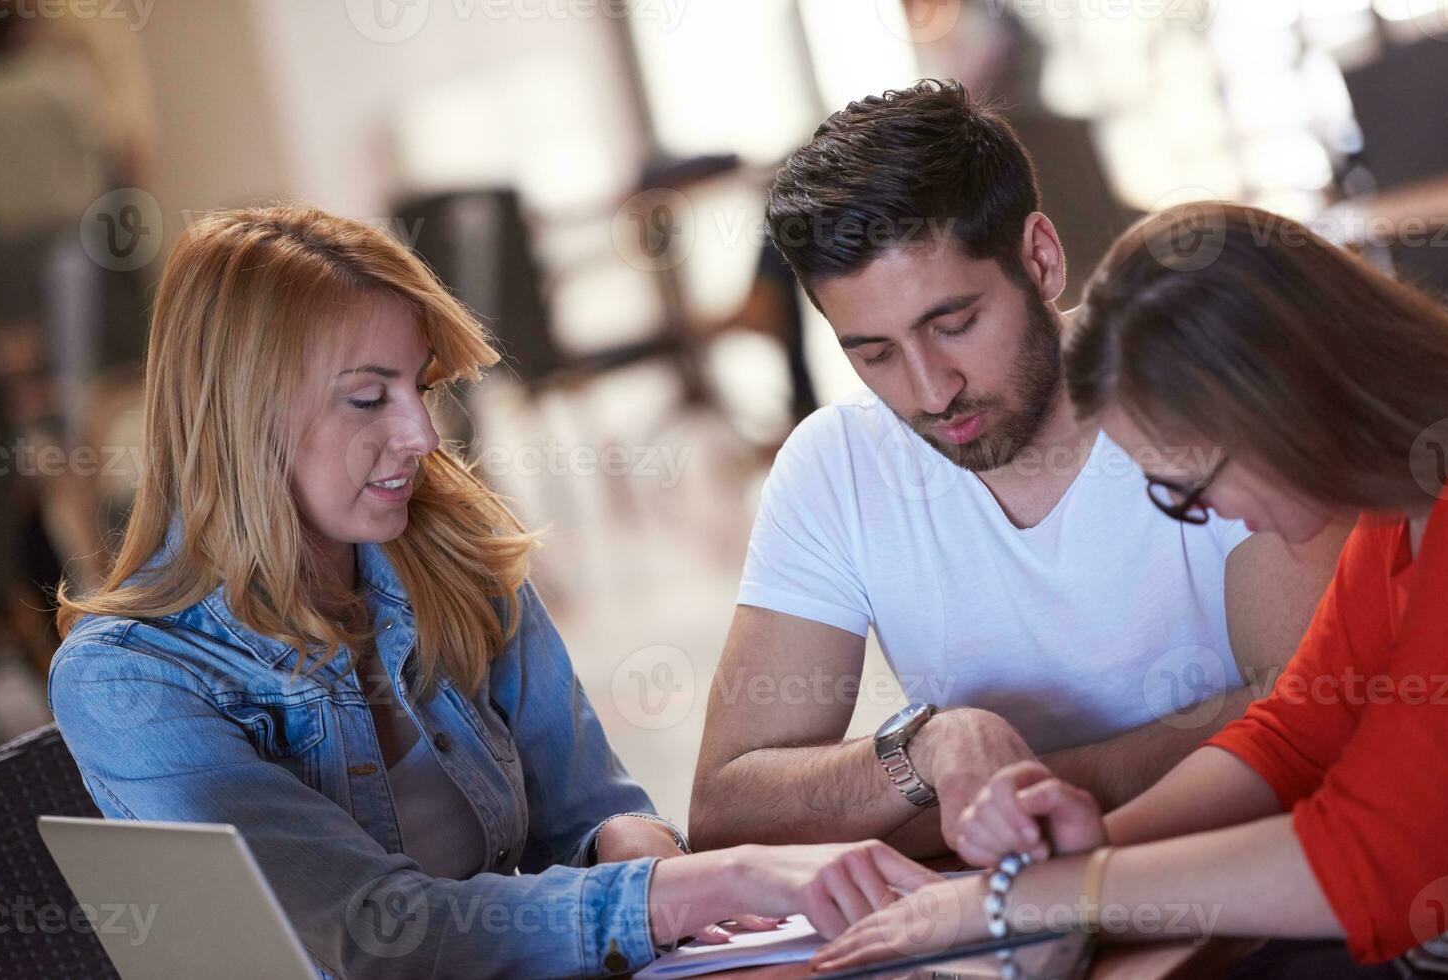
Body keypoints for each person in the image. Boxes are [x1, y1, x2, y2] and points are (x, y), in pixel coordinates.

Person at [47, 206, 940, 979]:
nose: (422, 437)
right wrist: (702, 883)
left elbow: (587, 809)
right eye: (369, 399)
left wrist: (633, 845)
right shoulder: (129, 680)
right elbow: (376, 935)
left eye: (422, 388)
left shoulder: (447, 557)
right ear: (240, 422)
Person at [690, 80, 1347, 859]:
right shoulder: (834, 466)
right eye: (873, 353)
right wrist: (930, 751)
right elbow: (726, 812)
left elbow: (1313, 723)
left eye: (955, 324)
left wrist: (1002, 796)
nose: (931, 391)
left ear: (1040, 258)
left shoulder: (1201, 391)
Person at [809, 202, 1448, 972]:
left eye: (1189, 485)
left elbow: (1370, 864)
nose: (1207, 513)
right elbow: (1294, 734)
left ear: (1282, 402)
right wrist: (1098, 842)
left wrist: (1031, 897)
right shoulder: (1399, 515)